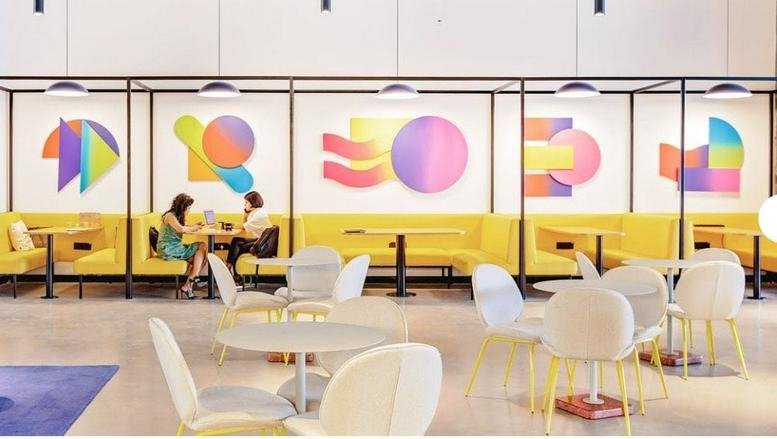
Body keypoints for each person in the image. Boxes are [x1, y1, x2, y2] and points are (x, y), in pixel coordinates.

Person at [158, 193, 208, 299]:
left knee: (201, 255)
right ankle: (193, 279)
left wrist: (194, 226)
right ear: (182, 207)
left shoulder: (177, 216)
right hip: (168, 248)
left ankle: (187, 286)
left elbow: (183, 227)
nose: (189, 210)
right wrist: (194, 228)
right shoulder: (170, 216)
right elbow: (181, 229)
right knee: (202, 248)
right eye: (188, 208)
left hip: (176, 247)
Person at [225, 191, 272, 279]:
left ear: (253, 203)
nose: (245, 205)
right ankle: (232, 271)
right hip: (261, 240)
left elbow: (243, 226)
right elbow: (245, 224)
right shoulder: (257, 212)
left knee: (237, 246)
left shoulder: (259, 214)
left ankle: (230, 270)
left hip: (264, 244)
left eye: (246, 202)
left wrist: (229, 225)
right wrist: (246, 213)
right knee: (236, 241)